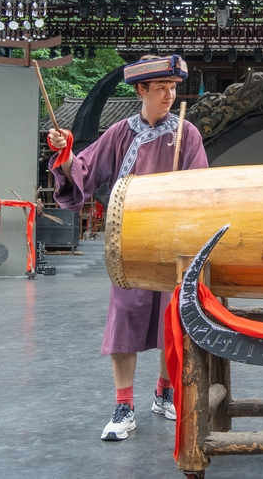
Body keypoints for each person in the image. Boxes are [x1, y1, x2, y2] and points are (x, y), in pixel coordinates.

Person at [48, 54, 209, 441]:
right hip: (130, 239)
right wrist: (65, 153)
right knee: (125, 318)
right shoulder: (120, 132)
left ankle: (164, 393)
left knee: (172, 319)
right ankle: (123, 406)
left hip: (172, 241)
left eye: (173, 88)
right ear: (141, 90)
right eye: (161, 88)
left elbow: (201, 185)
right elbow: (84, 170)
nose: (169, 95)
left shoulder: (186, 133)